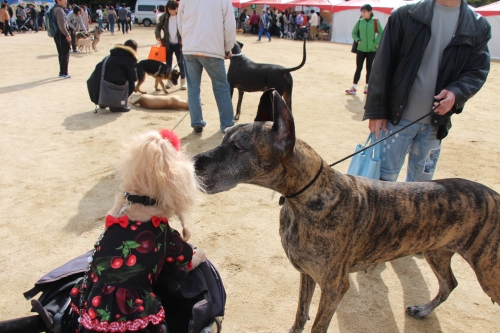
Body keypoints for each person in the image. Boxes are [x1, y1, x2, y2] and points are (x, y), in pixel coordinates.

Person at [364, 0, 491, 182]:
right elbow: (383, 63)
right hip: (394, 121)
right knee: (382, 184)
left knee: (422, 193)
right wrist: (376, 110)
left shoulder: (478, 25)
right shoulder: (405, 14)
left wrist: (456, 93)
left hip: (436, 124)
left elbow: (476, 71)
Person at [178, 0, 236, 134]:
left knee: (193, 87)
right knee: (221, 87)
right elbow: (229, 24)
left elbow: (180, 22)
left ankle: (196, 122)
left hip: (190, 48)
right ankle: (227, 124)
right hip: (212, 48)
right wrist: (228, 47)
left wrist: (186, 39)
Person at [88, 39, 138, 112]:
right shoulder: (129, 58)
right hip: (112, 89)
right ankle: (117, 105)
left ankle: (103, 103)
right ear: (135, 50)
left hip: (97, 90)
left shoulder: (109, 56)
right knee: (131, 83)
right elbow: (133, 77)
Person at [346, 4, 383, 95]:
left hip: (371, 50)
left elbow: (381, 33)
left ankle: (367, 86)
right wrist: (358, 40)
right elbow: (354, 33)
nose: (362, 13)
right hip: (361, 49)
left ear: (370, 12)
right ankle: (354, 87)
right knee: (358, 68)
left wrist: (375, 43)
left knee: (369, 68)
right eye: (361, 11)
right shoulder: (360, 21)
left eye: (364, 11)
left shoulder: (375, 21)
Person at [155, 0, 186, 90]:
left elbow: (189, 28)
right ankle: (169, 80)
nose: (172, 11)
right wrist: (158, 36)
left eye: (174, 9)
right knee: (168, 63)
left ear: (177, 8)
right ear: (167, 9)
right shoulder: (164, 17)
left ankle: (183, 82)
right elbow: (158, 27)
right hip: (168, 44)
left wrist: (184, 39)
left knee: (181, 63)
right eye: (170, 9)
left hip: (179, 44)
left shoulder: (182, 17)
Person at [52, 0, 71, 78]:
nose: (66, 1)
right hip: (62, 35)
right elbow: (61, 25)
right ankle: (63, 72)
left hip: (57, 34)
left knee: (61, 53)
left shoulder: (54, 9)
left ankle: (62, 71)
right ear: (58, 1)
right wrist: (67, 34)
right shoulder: (59, 10)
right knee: (65, 53)